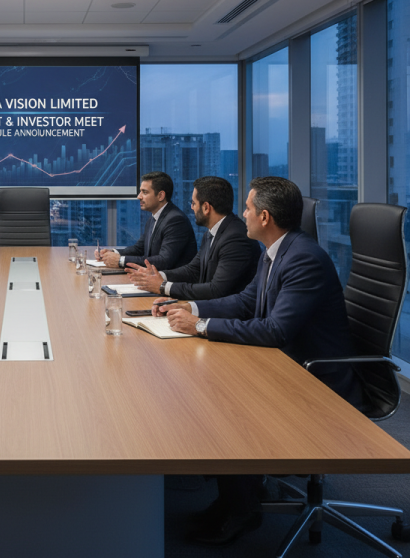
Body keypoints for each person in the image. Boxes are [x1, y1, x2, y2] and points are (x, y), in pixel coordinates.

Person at [158, 177, 361, 546]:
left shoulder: (302, 259)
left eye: (248, 209)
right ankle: (230, 501)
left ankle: (243, 510)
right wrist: (190, 307)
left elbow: (275, 330)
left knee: (224, 403)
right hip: (287, 365)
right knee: (212, 387)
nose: (243, 215)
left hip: (317, 380)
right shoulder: (275, 252)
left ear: (264, 217)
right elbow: (245, 302)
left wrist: (201, 325)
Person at [125, 176, 261, 300]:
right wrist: (158, 276)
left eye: (194, 203)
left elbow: (216, 290)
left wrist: (163, 286)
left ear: (206, 207)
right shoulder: (212, 232)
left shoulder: (236, 238)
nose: (191, 208)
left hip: (225, 317)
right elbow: (193, 270)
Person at [97, 171, 197, 271]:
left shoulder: (176, 220)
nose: (139, 196)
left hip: (173, 283)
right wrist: (112, 253)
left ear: (161, 196)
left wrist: (121, 261)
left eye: (144, 192)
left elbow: (164, 261)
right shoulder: (154, 217)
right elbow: (139, 249)